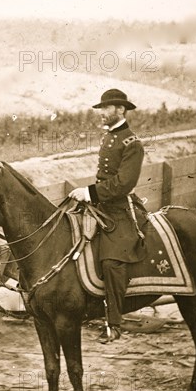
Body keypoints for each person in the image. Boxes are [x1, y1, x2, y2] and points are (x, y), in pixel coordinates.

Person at [68, 88, 145, 343]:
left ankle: (114, 322)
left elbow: (123, 183)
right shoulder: (109, 137)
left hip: (120, 209)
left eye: (106, 108)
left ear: (121, 110)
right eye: (100, 108)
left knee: (112, 262)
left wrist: (90, 192)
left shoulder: (131, 143)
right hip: (102, 205)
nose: (101, 113)